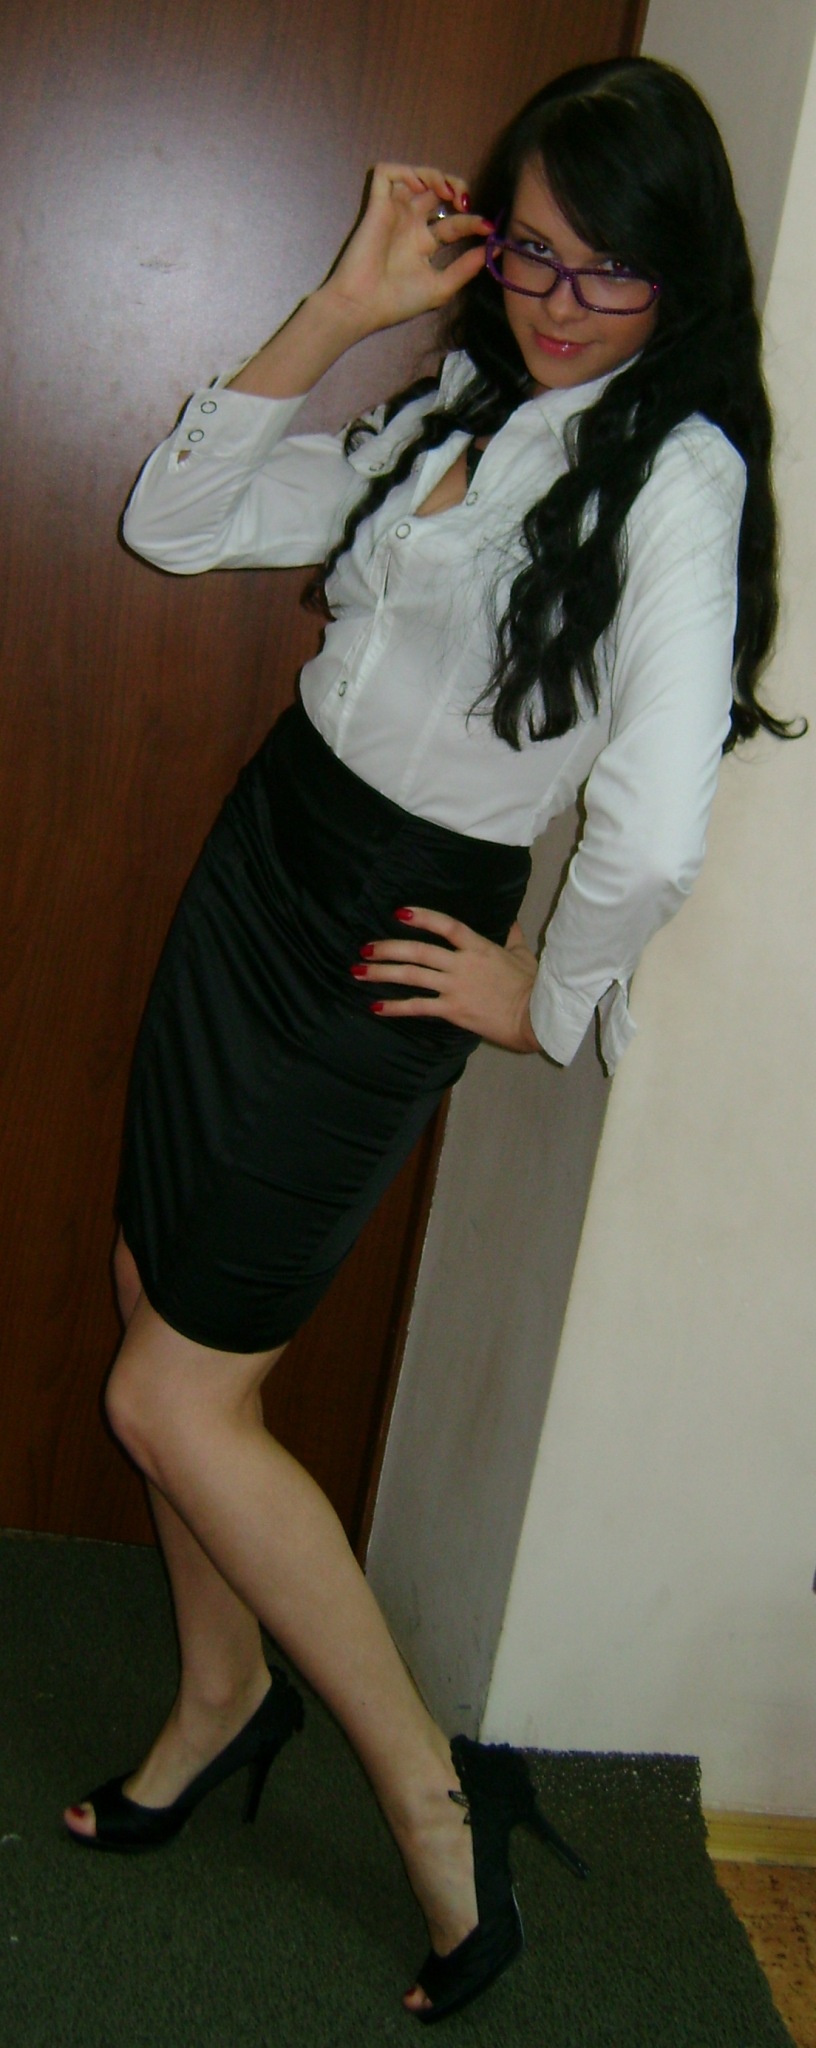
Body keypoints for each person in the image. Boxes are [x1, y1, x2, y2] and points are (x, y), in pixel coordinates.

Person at [63, 55, 791, 2025]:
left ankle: (430, 1805)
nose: (561, 301)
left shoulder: (678, 473)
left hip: (391, 927)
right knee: (156, 1299)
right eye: (531, 252)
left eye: (610, 269)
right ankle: (219, 1695)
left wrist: (544, 994)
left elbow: (655, 819)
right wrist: (341, 309)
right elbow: (176, 521)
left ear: (684, 277)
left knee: (172, 1398)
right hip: (262, 861)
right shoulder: (458, 403)